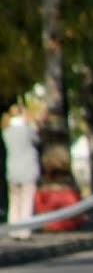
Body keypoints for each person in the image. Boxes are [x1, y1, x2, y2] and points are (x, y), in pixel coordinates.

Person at [2, 103, 41, 240]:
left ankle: (13, 230)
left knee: (14, 201)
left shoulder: (7, 131)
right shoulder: (27, 129)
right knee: (27, 200)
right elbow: (37, 140)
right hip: (28, 169)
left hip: (12, 169)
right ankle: (25, 231)